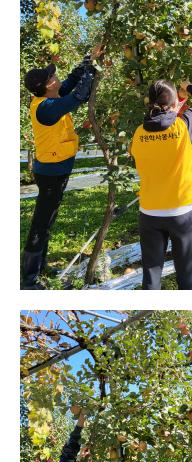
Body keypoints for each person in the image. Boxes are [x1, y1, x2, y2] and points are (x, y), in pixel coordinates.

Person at [22, 54, 97, 289]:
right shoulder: (47, 108)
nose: (56, 77)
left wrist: (83, 66)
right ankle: (28, 279)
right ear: (45, 87)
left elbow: (69, 84)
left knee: (47, 219)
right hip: (51, 173)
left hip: (56, 170)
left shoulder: (52, 97)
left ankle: (39, 266)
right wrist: (90, 73)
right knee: (41, 223)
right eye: (51, 77)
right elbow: (78, 96)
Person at [130, 79, 192, 290]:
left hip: (150, 211)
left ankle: (150, 317)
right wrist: (189, 86)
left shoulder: (139, 133)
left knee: (151, 274)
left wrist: (176, 100)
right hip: (182, 210)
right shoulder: (182, 126)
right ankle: (185, 315)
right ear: (175, 105)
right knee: (185, 271)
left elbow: (164, 117)